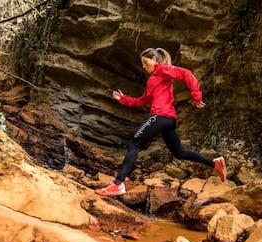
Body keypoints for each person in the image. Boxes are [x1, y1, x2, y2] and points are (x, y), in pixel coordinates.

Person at [95, 47, 227, 196]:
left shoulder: (162, 69)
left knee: (134, 143)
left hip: (161, 116)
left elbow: (186, 74)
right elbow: (143, 100)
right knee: (179, 153)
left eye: (146, 62)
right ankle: (215, 164)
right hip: (168, 119)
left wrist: (196, 97)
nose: (144, 67)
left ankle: (118, 184)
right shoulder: (153, 79)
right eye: (142, 64)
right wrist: (123, 98)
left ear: (154, 60)